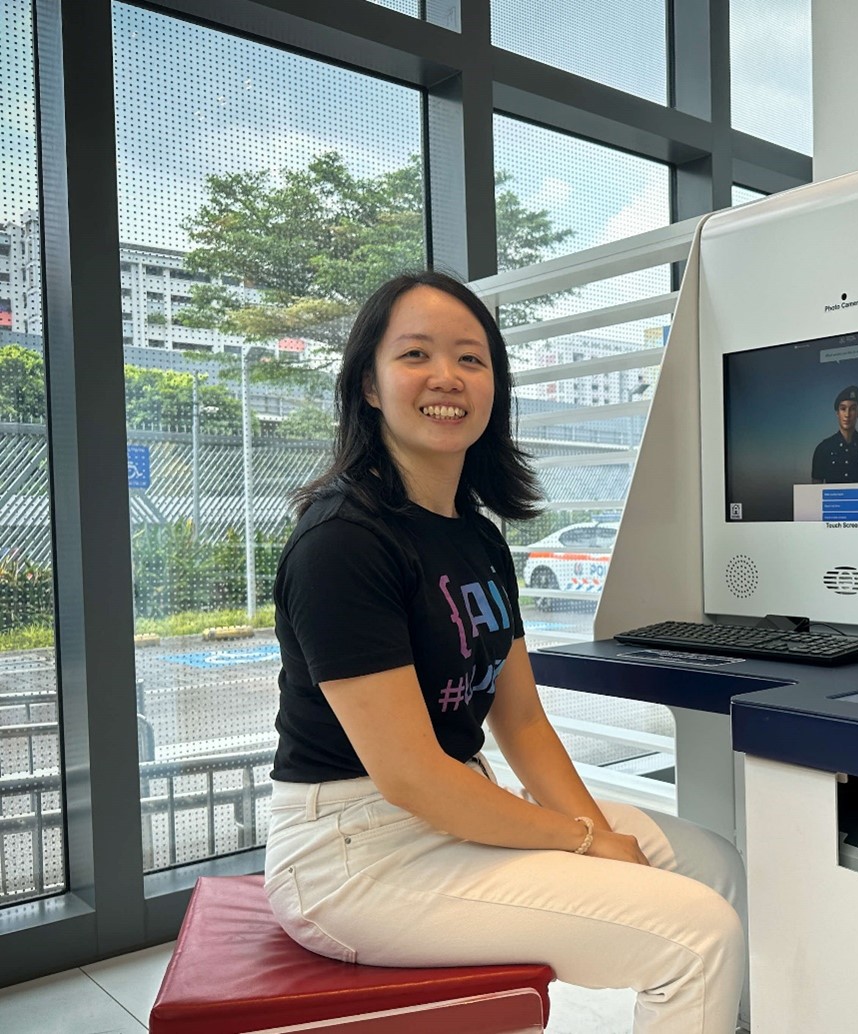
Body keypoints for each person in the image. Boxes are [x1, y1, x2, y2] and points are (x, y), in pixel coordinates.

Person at [265, 270, 747, 1034]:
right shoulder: (343, 543)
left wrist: (601, 838)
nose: (446, 378)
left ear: (494, 385)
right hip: (352, 856)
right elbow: (412, 778)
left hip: (450, 811)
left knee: (717, 866)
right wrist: (584, 840)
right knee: (696, 933)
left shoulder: (478, 536)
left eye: (471, 358)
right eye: (415, 354)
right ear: (367, 383)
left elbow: (519, 721)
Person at [811, 384, 858, 482]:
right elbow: (815, 493)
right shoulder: (823, 449)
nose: (847, 414)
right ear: (837, 413)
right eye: (843, 409)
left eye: (853, 409)